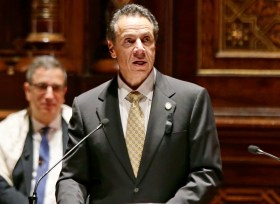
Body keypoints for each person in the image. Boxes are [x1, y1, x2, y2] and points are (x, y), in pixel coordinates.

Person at [56, 3, 222, 204]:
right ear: (112, 48)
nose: (140, 49)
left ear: (155, 45)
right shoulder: (86, 107)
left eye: (146, 40)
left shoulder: (192, 99)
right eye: (129, 41)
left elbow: (207, 173)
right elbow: (73, 177)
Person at [0, 55, 72, 204]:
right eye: (42, 86)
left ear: (64, 92)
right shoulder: (7, 129)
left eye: (56, 88)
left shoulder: (81, 124)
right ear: (28, 90)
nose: (49, 95)